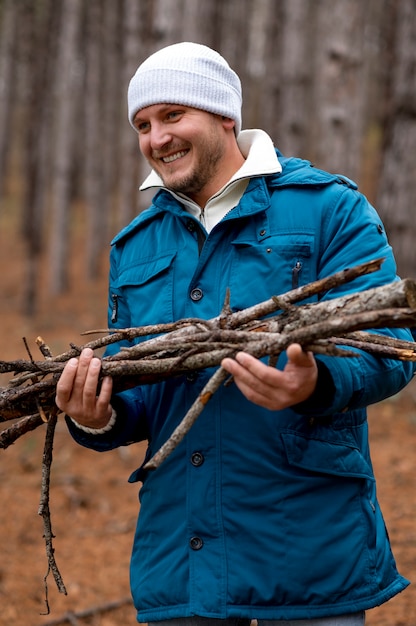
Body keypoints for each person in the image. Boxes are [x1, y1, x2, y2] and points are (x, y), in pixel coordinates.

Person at [56, 42, 414, 626]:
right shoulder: (136, 244)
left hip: (306, 561)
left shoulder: (329, 208)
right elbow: (140, 392)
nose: (157, 138)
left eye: (174, 115)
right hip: (181, 566)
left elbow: (393, 349)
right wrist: (98, 415)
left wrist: (316, 382)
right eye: (143, 124)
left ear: (225, 116)